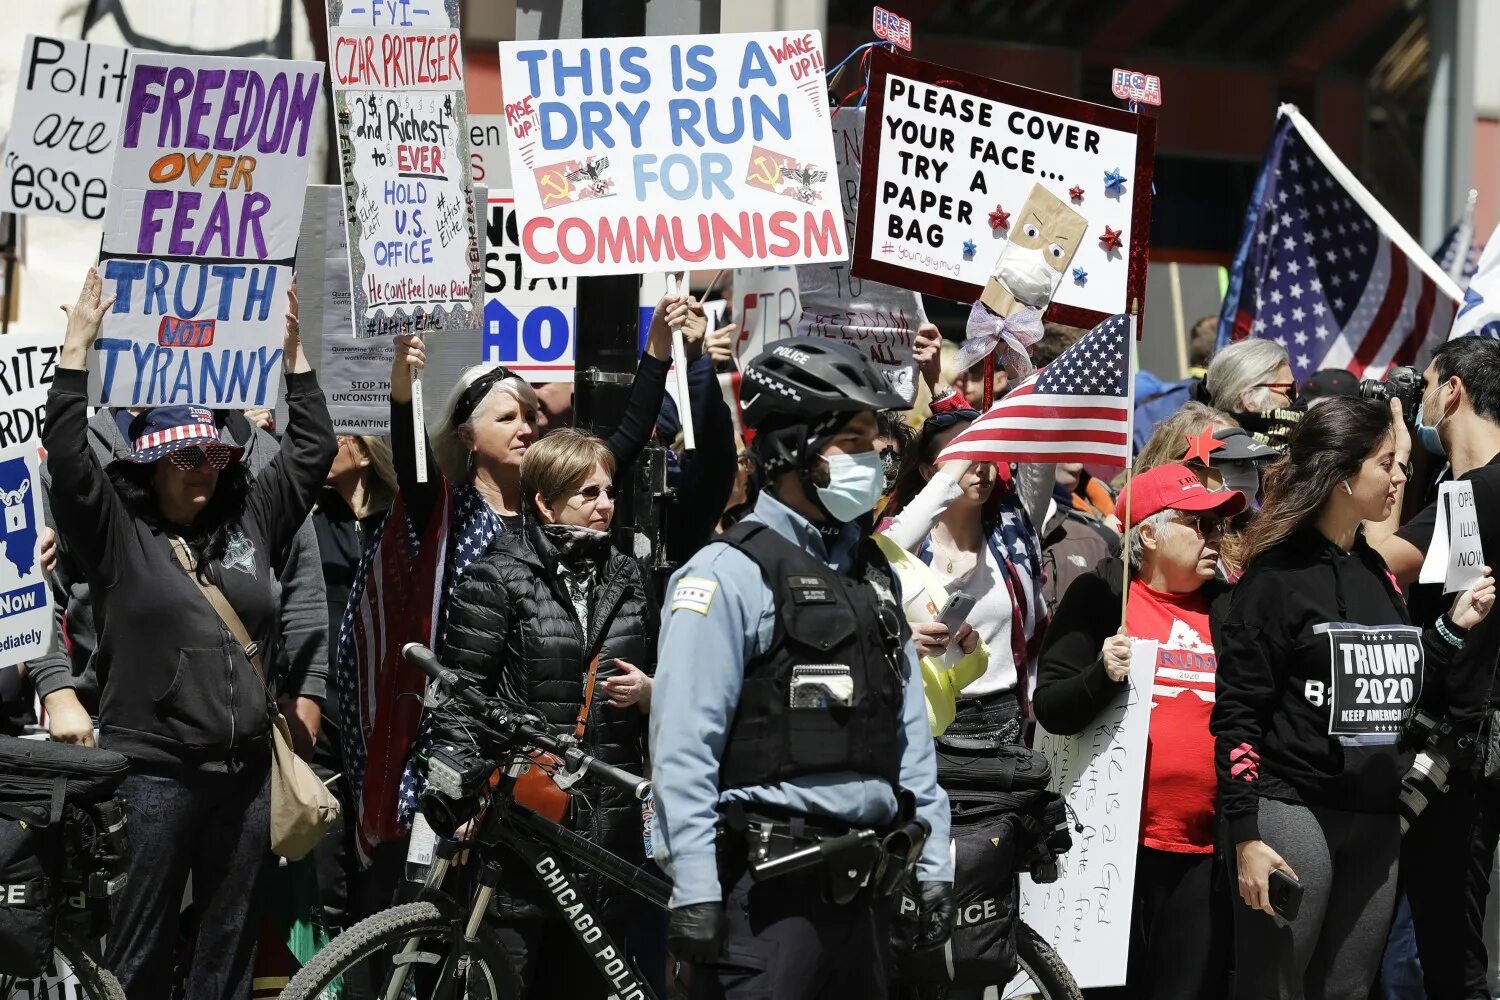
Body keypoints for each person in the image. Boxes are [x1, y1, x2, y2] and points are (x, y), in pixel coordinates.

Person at [44, 269, 337, 1000]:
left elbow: (313, 449)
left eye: (212, 454)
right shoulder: (118, 530)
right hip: (152, 776)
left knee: (226, 955)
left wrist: (294, 357)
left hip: (242, 777)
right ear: (150, 463)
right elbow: (71, 458)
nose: (202, 470)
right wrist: (77, 350)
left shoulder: (251, 518)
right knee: (137, 960)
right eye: (184, 457)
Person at [650, 338, 953, 998]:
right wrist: (696, 889)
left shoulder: (872, 576)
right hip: (766, 906)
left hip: (866, 897)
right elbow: (683, 746)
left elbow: (908, 738)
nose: (874, 456)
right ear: (791, 450)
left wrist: (934, 865)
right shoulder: (727, 575)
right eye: (852, 437)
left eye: (877, 438)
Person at [342, 295, 689, 834]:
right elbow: (411, 466)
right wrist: (403, 385)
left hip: (542, 724)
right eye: (507, 418)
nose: (526, 428)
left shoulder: (552, 509)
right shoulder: (444, 508)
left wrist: (658, 348)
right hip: (462, 720)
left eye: (530, 416)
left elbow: (626, 438)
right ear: (467, 436)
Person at [1210, 397, 1496, 1000]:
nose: (1401, 476)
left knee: (1346, 991)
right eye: (1387, 463)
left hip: (1376, 819)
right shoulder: (1275, 581)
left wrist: (1449, 630)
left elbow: (1394, 682)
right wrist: (1244, 838)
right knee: (1276, 989)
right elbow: (1237, 719)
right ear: (1343, 473)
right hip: (1293, 811)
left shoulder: (1376, 574)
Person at [432, 429, 656, 997]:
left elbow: (676, 683)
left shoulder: (627, 577)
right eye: (587, 493)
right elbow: (461, 698)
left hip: (607, 831)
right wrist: (456, 800)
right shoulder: (498, 575)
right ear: (545, 502)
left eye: (609, 490)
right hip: (524, 823)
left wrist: (656, 692)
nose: (605, 504)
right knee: (510, 978)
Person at [1034, 464, 1244, 999]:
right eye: (1199, 524)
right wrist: (1100, 673)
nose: (1215, 538)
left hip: (1203, 851)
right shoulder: (1102, 597)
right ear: (1148, 532)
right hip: (1114, 854)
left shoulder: (1229, 608)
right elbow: (1052, 708)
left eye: (1219, 526)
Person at [1366, 338, 1500, 1000]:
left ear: (1453, 392)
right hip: (1466, 746)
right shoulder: (1460, 492)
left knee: (1452, 953)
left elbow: (1373, 559)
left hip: (1467, 752)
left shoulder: (1475, 494)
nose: (1415, 407)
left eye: (1423, 393)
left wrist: (1394, 458)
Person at [881, 410, 1051, 746]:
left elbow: (1040, 458)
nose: (980, 465)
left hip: (1006, 727)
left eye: (987, 453)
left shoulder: (1011, 538)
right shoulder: (903, 547)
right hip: (927, 727)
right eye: (963, 454)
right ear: (930, 472)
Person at [311, 435, 399, 1000]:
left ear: (365, 451)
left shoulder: (409, 526)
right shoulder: (306, 516)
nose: (322, 443)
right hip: (322, 724)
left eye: (336, 434)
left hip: (388, 732)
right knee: (323, 886)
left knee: (382, 896)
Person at [1201, 338, 1301, 451]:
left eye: (1294, 387)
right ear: (1250, 400)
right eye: (1288, 389)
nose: (1296, 396)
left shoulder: (1310, 447)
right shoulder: (1213, 462)